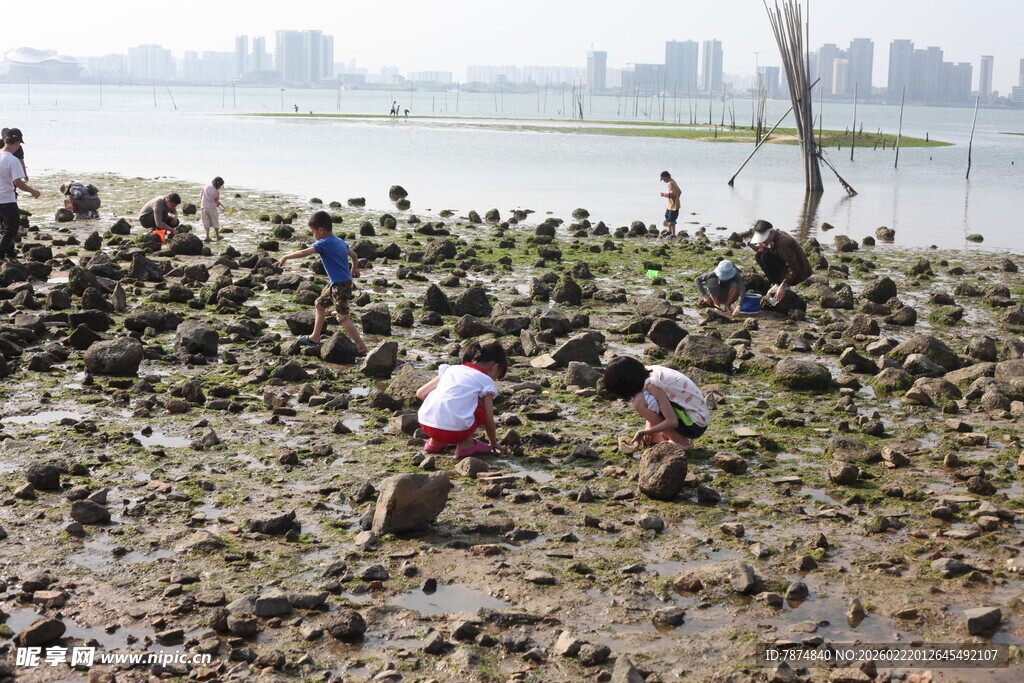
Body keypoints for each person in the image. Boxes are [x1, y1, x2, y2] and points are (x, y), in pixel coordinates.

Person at [274, 210, 367, 353]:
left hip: (340, 286)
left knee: (343, 318)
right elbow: (354, 255)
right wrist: (354, 269)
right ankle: (315, 337)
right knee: (319, 304)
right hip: (338, 284)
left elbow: (304, 252)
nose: (313, 235)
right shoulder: (340, 241)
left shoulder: (324, 243)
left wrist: (286, 257)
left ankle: (361, 346)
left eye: (313, 232)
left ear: (321, 230)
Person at [416, 340, 509, 458]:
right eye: (497, 377)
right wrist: (494, 443)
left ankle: (435, 442)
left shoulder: (451, 370)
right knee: (477, 402)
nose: (494, 380)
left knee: (448, 396)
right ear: (496, 367)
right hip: (458, 432)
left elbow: (420, 393)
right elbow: (488, 420)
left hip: (427, 425)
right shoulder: (486, 381)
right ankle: (466, 445)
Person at [603, 356, 709, 450]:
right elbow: (654, 403)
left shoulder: (652, 385)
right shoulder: (647, 372)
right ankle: (669, 436)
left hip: (695, 423)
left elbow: (672, 421)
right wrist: (649, 428)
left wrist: (643, 432)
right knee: (652, 435)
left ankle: (681, 442)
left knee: (638, 402)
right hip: (695, 415)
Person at [748, 219, 812, 305]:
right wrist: (764, 248)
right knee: (759, 255)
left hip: (798, 274)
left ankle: (781, 285)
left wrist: (783, 285)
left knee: (765, 256)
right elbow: (778, 253)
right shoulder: (777, 235)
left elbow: (794, 268)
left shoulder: (783, 243)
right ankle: (777, 283)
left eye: (763, 239)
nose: (762, 241)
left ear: (770, 232)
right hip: (789, 270)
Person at [0, 128, 40, 262]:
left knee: (4, 229)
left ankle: (11, 255)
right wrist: (32, 191)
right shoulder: (13, 160)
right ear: (17, 143)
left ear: (5, 140)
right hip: (7, 200)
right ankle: (1, 255)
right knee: (11, 229)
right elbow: (17, 182)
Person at [199, 177, 224, 242]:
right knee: (215, 222)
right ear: (219, 185)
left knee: (206, 222)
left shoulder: (206, 187)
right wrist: (217, 203)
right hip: (212, 208)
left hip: (203, 207)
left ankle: (207, 236)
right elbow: (216, 201)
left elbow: (201, 195)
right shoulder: (216, 192)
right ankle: (217, 236)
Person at [659, 170, 681, 237]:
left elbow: (672, 195)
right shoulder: (673, 181)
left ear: (667, 177)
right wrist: (677, 198)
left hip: (673, 205)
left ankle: (673, 234)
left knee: (672, 220)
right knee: (667, 216)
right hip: (671, 205)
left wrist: (664, 194)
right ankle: (669, 231)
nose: (663, 181)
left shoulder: (670, 183)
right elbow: (679, 191)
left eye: (663, 179)